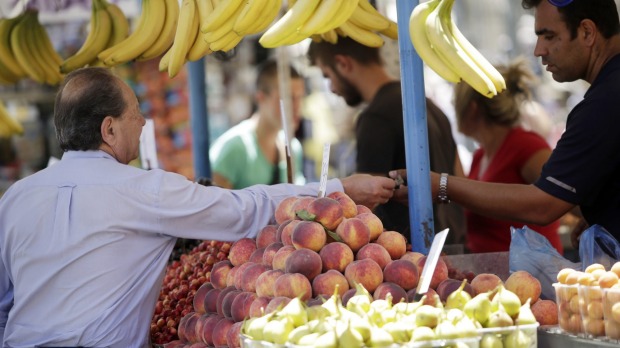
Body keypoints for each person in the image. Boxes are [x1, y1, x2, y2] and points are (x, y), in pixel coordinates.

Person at [0, 67, 396, 347]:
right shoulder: (144, 191)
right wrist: (339, 189)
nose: (142, 124)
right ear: (109, 129)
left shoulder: (16, 197)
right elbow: (244, 209)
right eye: (136, 114)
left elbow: (3, 304)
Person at [391, 0, 620, 247]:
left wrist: (443, 186)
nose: (538, 50)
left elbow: (543, 205)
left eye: (549, 36)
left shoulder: (604, 103)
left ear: (587, 31)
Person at [307, 37, 466, 245]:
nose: (332, 88)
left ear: (343, 64)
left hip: (413, 255)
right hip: (455, 245)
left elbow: (364, 203)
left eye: (327, 75)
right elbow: (460, 175)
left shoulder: (376, 118)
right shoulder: (429, 106)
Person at [453, 57, 563, 254]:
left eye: (456, 103)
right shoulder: (481, 155)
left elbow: (562, 197)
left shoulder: (526, 146)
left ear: (472, 108)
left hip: (532, 277)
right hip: (492, 275)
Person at [209, 59, 306, 188]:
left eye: (300, 98)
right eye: (288, 98)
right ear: (261, 98)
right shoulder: (234, 149)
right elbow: (216, 205)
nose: (297, 107)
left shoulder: (293, 148)